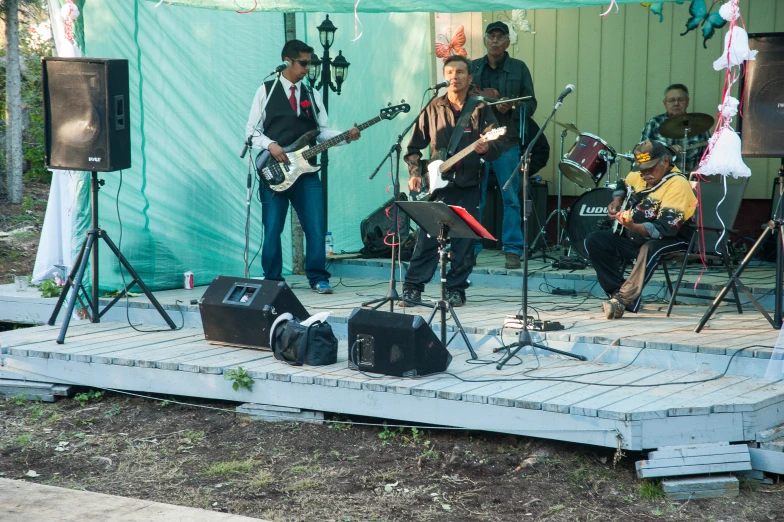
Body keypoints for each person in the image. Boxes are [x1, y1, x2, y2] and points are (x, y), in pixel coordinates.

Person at [245, 39, 360, 294]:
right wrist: (271, 145)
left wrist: (345, 137)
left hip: (306, 171)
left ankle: (318, 277)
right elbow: (251, 132)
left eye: (311, 63)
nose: (309, 68)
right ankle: (272, 280)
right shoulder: (265, 90)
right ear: (288, 61)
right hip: (274, 171)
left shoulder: (311, 93)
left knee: (315, 226)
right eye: (304, 63)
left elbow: (322, 132)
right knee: (273, 226)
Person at [400, 55, 503, 308]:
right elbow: (413, 147)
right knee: (426, 238)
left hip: (468, 185)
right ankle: (413, 288)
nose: (454, 77)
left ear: (469, 78)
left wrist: (484, 150)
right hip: (436, 185)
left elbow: (497, 144)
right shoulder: (433, 107)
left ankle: (456, 290)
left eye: (460, 72)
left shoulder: (480, 109)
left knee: (464, 241)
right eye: (450, 72)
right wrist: (415, 172)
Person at [583, 140, 697, 319]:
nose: (645, 174)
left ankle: (624, 300)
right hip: (637, 235)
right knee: (595, 240)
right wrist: (617, 201)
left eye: (650, 168)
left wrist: (632, 226)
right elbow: (622, 184)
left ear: (665, 162)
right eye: (641, 168)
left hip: (676, 238)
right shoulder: (639, 175)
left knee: (650, 248)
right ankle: (617, 293)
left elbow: (664, 230)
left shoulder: (678, 185)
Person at [470, 21, 538, 269]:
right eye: (491, 36)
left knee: (510, 197)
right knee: (475, 197)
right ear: (486, 40)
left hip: (506, 141)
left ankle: (512, 250)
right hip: (477, 141)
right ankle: (472, 248)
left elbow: (531, 105)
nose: (495, 41)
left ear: (508, 42)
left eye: (501, 37)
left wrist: (513, 105)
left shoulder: (519, 68)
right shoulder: (473, 67)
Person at [641, 84, 710, 173]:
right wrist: (666, 151)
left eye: (680, 100)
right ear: (665, 103)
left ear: (687, 102)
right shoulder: (654, 124)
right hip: (660, 183)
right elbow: (642, 156)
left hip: (689, 182)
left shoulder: (700, 126)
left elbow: (708, 157)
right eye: (671, 100)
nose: (676, 103)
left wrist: (697, 172)